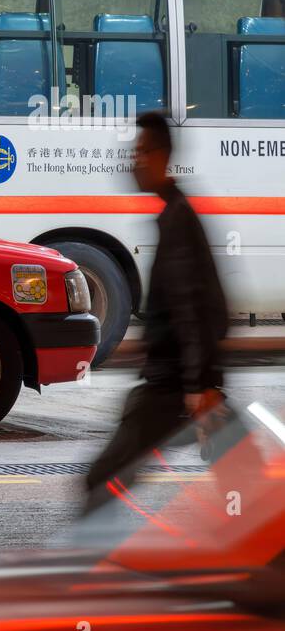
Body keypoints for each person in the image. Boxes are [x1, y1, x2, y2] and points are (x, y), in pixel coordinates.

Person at [84, 112, 229, 510]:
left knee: (100, 481)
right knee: (238, 479)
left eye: (142, 151)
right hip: (179, 378)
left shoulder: (178, 219)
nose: (134, 160)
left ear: (163, 156)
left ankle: (92, 564)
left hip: (172, 385)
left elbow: (191, 308)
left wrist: (198, 387)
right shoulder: (174, 214)